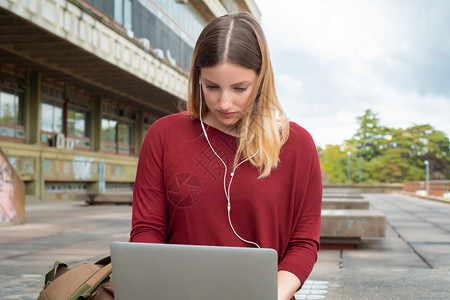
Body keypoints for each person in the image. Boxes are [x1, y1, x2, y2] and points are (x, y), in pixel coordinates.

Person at [130, 12, 322, 300]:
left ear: (261, 80)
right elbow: (147, 230)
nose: (224, 103)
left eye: (239, 88)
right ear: (197, 78)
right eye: (212, 87)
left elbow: (303, 243)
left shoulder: (297, 145)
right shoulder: (164, 135)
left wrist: (270, 295)